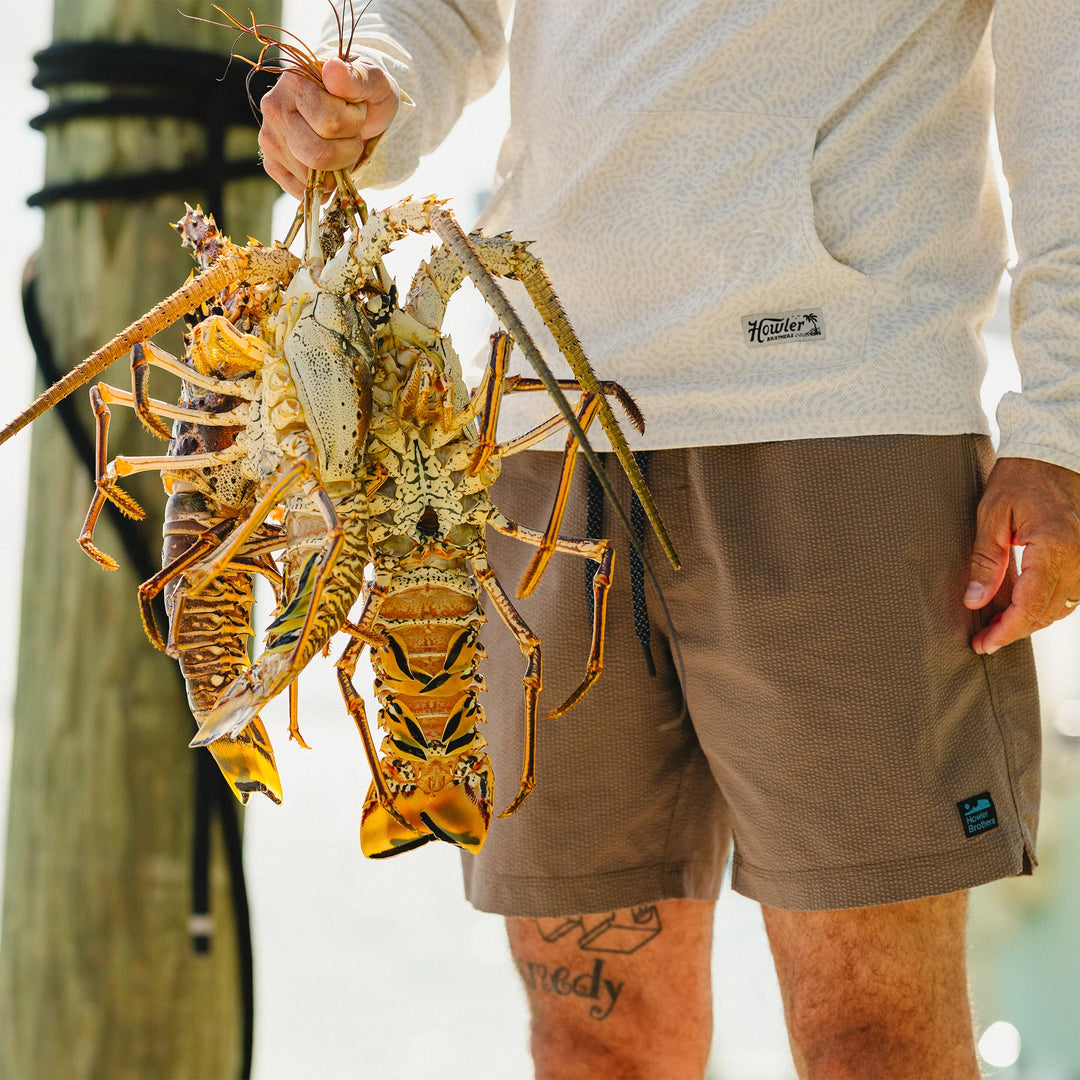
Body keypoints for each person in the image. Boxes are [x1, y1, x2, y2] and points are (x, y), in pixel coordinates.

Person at [258, 3, 1080, 1076]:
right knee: (594, 1041)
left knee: (875, 1046)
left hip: (841, 423)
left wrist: (1062, 425)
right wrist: (370, 86)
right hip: (536, 434)